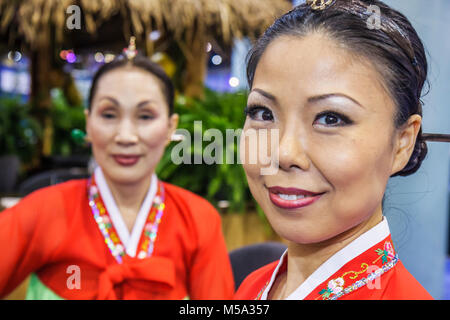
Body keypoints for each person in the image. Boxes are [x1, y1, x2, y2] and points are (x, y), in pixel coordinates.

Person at [0, 39, 234, 300]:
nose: (125, 136)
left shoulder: (199, 221)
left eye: (145, 116)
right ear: (89, 124)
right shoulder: (41, 212)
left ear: (170, 127)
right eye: (109, 115)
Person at [235, 0, 434, 300]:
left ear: (402, 142)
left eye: (331, 118)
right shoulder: (254, 286)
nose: (285, 153)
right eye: (264, 114)